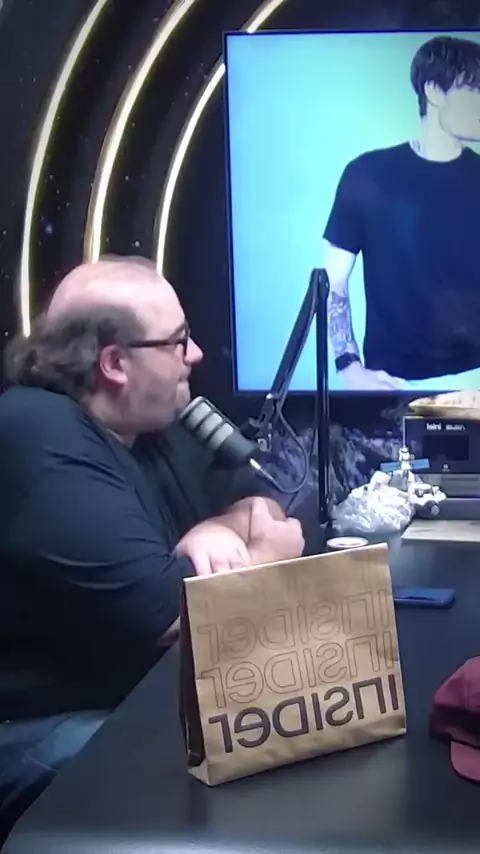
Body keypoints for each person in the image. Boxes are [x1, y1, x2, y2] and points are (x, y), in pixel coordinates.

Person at [0, 256, 304, 842]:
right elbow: (172, 612)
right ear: (115, 363)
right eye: (178, 341)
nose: (196, 354)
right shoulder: (35, 433)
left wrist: (218, 529)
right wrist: (271, 556)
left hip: (133, 698)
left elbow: (262, 506)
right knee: (246, 767)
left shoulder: (160, 421)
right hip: (39, 723)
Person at [324, 35, 480, 391]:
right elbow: (332, 281)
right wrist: (349, 367)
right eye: (474, 89)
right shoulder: (367, 174)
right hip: (393, 386)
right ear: (434, 91)